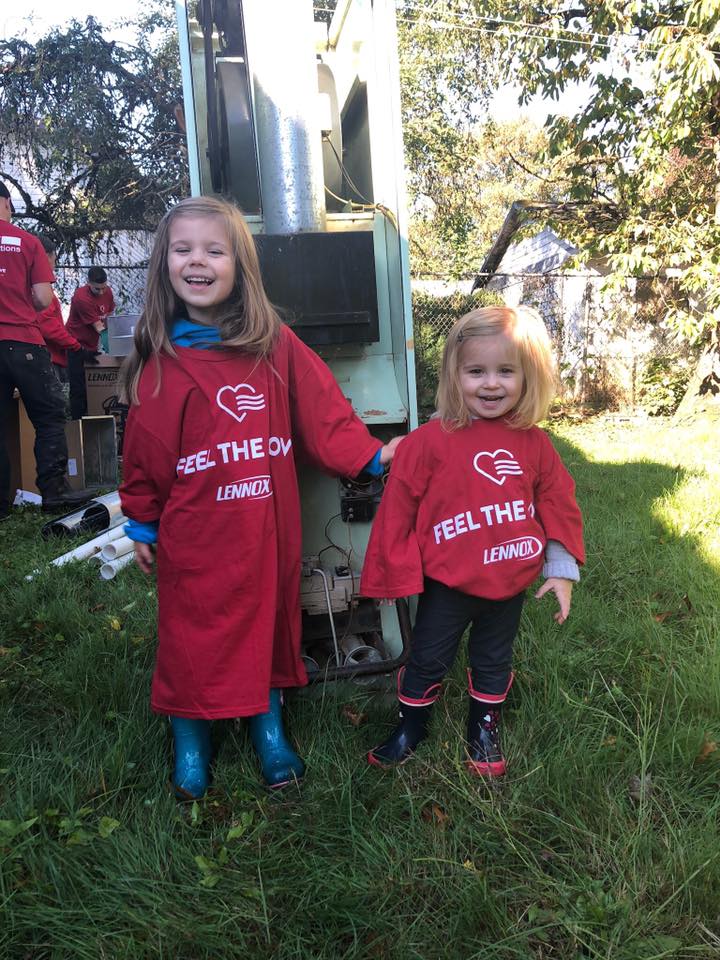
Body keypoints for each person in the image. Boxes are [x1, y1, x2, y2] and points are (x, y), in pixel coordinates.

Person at [119, 196, 402, 799]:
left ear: (238, 265)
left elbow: (323, 408)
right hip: (195, 535)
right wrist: (143, 522)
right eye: (184, 249)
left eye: (214, 250)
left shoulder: (273, 346)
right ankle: (190, 741)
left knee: (269, 626)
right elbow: (143, 454)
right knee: (191, 635)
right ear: (165, 265)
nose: (198, 261)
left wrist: (369, 455)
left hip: (264, 529)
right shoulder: (161, 366)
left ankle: (268, 729)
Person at [360, 305, 585, 777]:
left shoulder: (533, 442)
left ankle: (484, 728)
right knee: (428, 659)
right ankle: (411, 727)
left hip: (509, 583)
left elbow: (557, 498)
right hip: (451, 583)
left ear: (528, 377)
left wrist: (560, 565)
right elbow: (398, 506)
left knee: (493, 661)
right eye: (476, 371)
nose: (491, 384)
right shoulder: (429, 441)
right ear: (453, 374)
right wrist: (393, 569)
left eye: (506, 371)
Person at [0, 181, 92, 517]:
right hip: (24, 342)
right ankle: (53, 493)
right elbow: (42, 298)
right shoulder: (28, 242)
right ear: (7, 203)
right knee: (49, 418)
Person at [66, 265, 115, 418]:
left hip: (93, 344)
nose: (101, 292)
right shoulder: (81, 297)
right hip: (76, 344)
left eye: (103, 288)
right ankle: (78, 424)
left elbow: (110, 315)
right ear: (88, 283)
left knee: (94, 384)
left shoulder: (108, 292)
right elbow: (99, 327)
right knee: (79, 387)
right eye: (96, 289)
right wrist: (111, 346)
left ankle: (97, 415)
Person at [35, 236, 82, 388]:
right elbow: (48, 326)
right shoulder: (40, 289)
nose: (54, 264)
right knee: (54, 403)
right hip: (48, 358)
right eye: (54, 258)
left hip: (48, 355)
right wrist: (75, 346)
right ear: (47, 256)